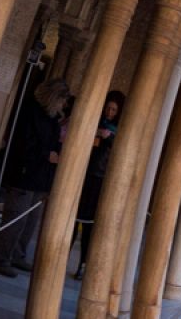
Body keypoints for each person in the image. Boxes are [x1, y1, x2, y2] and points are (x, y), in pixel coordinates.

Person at [0, 79, 68, 277]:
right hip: (24, 174)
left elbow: (52, 141)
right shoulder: (30, 111)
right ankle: (2, 258)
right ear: (54, 97)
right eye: (61, 100)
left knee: (30, 220)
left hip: (40, 178)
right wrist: (46, 154)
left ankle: (18, 254)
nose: (63, 105)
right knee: (15, 218)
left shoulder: (51, 117)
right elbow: (23, 143)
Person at [73, 89, 123, 279]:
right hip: (83, 176)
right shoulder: (97, 121)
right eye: (107, 109)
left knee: (89, 226)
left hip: (98, 180)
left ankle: (83, 264)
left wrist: (108, 137)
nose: (109, 113)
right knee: (72, 220)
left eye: (113, 110)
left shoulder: (118, 130)